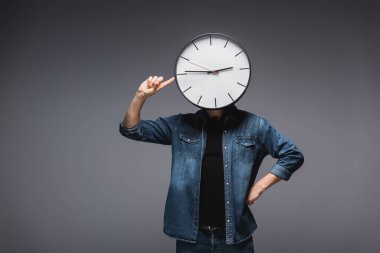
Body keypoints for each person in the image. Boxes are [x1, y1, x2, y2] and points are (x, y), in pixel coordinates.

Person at [119, 75, 304, 253]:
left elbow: (292, 154)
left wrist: (260, 186)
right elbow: (131, 130)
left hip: (235, 236)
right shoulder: (180, 124)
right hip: (191, 238)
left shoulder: (254, 125)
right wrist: (140, 96)